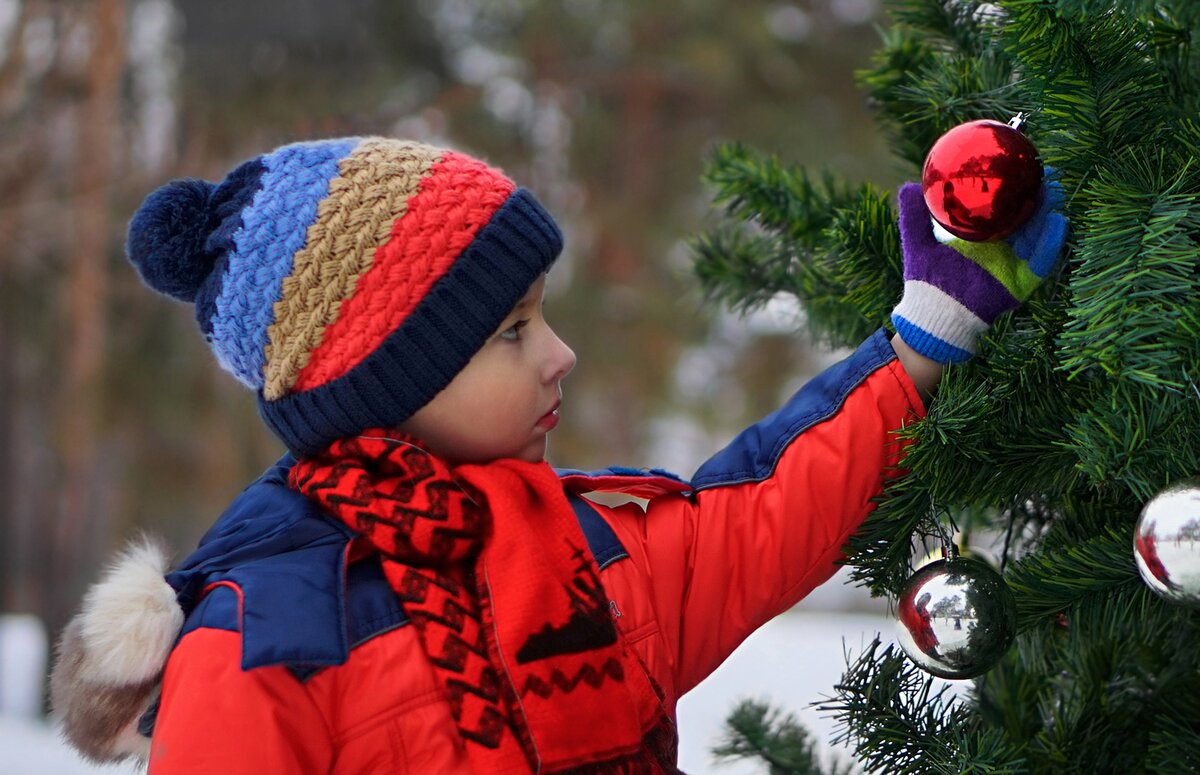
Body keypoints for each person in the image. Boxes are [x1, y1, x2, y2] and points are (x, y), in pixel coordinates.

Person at [50, 136, 1066, 773]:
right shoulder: (262, 638)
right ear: (386, 380)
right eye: (511, 331)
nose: (561, 355)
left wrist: (926, 334)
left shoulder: (581, 547)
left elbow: (759, 514)